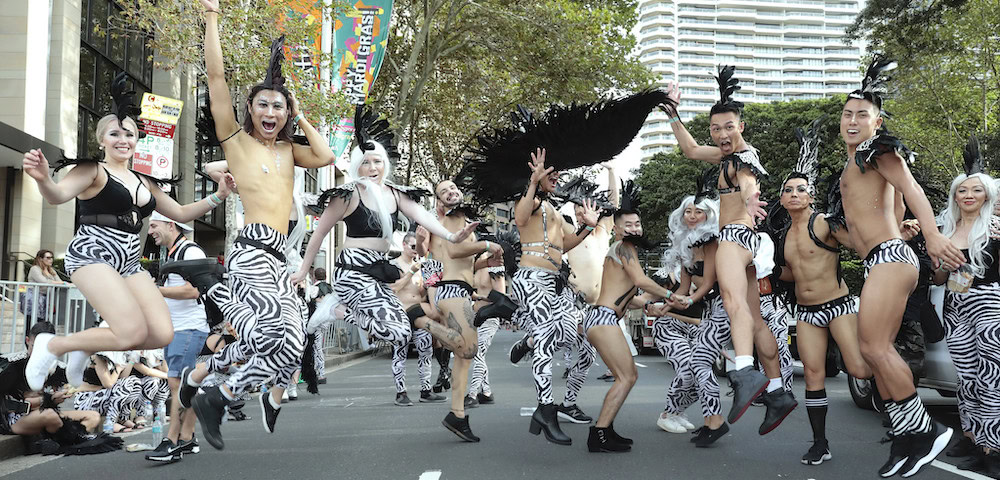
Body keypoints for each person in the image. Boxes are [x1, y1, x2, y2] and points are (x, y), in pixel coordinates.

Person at [169, 0, 337, 451]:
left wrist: (301, 114)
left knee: (291, 345)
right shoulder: (236, 141)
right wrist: (211, 19)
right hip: (251, 250)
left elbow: (325, 156)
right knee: (272, 333)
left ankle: (211, 387)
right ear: (250, 108)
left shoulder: (288, 151)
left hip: (279, 256)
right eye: (263, 104)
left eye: (279, 107)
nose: (271, 112)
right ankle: (214, 287)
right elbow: (217, 80)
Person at [21, 72, 234, 393]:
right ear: (101, 139)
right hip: (92, 254)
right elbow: (56, 195)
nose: (123, 139)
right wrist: (42, 179)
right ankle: (54, 345)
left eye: (130, 134)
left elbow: (179, 213)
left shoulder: (144, 181)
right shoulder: (91, 170)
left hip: (128, 263)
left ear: (138, 139)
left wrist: (218, 195)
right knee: (130, 331)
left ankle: (84, 345)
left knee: (162, 333)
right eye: (115, 133)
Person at [291, 109, 478, 440]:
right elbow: (318, 235)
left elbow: (423, 215)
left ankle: (341, 310)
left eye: (377, 162)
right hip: (352, 270)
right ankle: (335, 309)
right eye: (366, 162)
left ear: (385, 165)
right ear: (356, 166)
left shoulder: (395, 193)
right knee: (393, 331)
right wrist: (304, 271)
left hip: (378, 270)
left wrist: (452, 237)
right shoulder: (347, 195)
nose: (373, 168)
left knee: (399, 333)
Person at [837, 56, 961, 477]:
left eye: (862, 115)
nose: (853, 121)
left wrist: (933, 236)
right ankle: (907, 439)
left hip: (892, 256)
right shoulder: (850, 168)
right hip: (879, 259)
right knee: (878, 355)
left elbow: (913, 188)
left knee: (873, 348)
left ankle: (925, 431)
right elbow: (865, 223)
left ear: (877, 122)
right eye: (847, 114)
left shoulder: (876, 153)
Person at [661, 69, 796, 432]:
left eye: (728, 127)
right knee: (754, 316)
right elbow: (689, 150)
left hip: (735, 237)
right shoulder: (727, 157)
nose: (722, 134)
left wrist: (751, 203)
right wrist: (673, 113)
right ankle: (779, 390)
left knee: (734, 305)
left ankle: (744, 373)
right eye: (716, 128)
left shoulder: (739, 160)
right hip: (750, 242)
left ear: (741, 126)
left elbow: (749, 183)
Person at [770, 120, 873, 465]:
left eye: (801, 189)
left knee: (859, 369)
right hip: (807, 312)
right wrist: (765, 270)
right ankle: (820, 443)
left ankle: (903, 414)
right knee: (812, 375)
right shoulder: (782, 236)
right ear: (782, 199)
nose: (794, 194)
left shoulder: (824, 223)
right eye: (788, 190)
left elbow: (860, 247)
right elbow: (790, 274)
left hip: (839, 305)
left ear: (810, 196)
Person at [582, 181, 673, 453]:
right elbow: (640, 280)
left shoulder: (624, 251)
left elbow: (628, 295)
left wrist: (648, 306)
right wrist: (670, 296)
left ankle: (605, 429)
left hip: (604, 318)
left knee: (628, 376)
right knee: (626, 377)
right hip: (603, 319)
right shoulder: (623, 247)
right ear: (618, 229)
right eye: (628, 225)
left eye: (637, 224)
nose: (634, 229)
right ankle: (598, 434)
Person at [932, 136, 1000, 476]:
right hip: (955, 305)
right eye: (962, 191)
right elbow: (938, 279)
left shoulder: (996, 227)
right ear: (955, 196)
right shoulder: (945, 229)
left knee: (991, 376)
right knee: (967, 377)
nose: (969, 195)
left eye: (975, 190)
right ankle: (974, 438)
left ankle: (994, 447)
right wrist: (943, 263)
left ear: (987, 194)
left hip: (989, 303)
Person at [144, 212, 211, 463]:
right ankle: (187, 438)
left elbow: (194, 290)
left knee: (178, 386)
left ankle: (171, 442)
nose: (150, 231)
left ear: (171, 224)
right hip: (179, 329)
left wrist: (155, 290)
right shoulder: (173, 252)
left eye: (154, 226)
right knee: (185, 386)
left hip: (189, 328)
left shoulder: (190, 252)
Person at [0, 322, 101, 438]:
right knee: (50, 415)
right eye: (36, 347)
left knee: (93, 417)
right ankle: (65, 440)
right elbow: (16, 402)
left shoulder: (57, 368)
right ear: (28, 341)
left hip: (48, 415)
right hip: (17, 419)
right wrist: (48, 399)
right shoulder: (12, 365)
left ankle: (66, 440)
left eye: (46, 349)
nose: (40, 353)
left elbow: (82, 383)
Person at [389, 232, 444, 406]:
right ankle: (401, 392)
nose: (415, 250)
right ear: (404, 245)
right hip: (400, 314)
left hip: (419, 312)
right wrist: (411, 272)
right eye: (413, 246)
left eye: (417, 247)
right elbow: (393, 288)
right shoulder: (393, 265)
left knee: (426, 351)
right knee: (400, 353)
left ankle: (425, 390)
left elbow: (420, 293)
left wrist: (428, 285)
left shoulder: (420, 265)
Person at [22, 250, 66, 325]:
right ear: (40, 259)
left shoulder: (51, 270)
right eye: (48, 258)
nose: (51, 260)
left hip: (45, 299)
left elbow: (60, 281)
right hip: (33, 299)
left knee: (43, 322)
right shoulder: (35, 268)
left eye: (52, 258)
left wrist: (67, 284)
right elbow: (44, 281)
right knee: (32, 322)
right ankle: (29, 336)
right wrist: (63, 283)